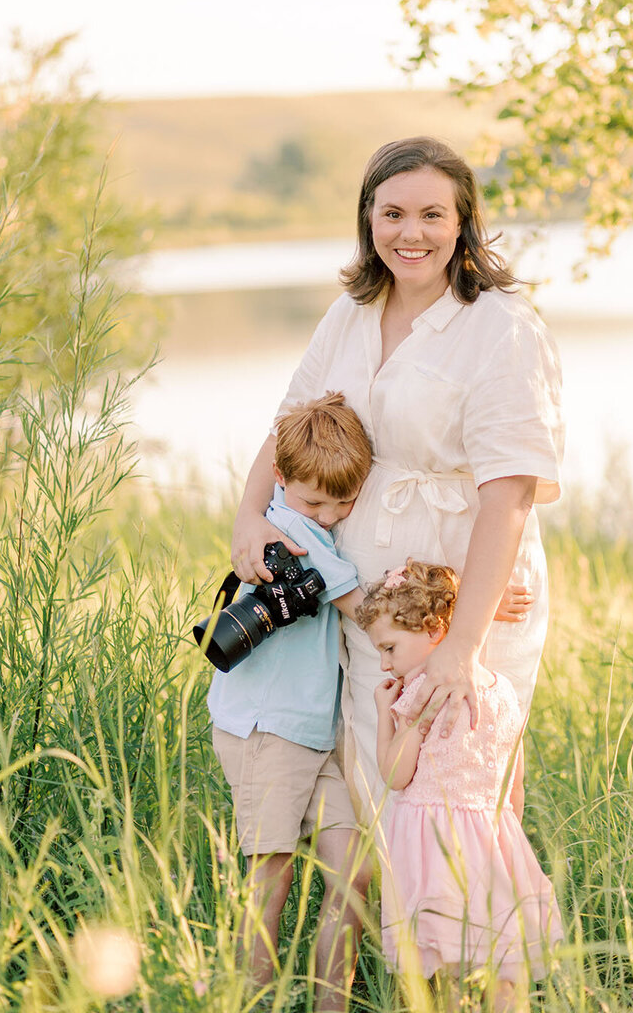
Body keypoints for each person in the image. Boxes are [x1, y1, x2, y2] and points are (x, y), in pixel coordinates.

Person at [230, 136, 563, 815]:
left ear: (464, 223)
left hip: (468, 593)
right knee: (377, 790)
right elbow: (287, 424)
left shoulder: (502, 326)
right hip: (369, 597)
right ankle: (395, 925)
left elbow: (511, 494)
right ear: (368, 219)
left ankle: (476, 925)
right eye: (393, 214)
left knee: (461, 797)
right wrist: (248, 515)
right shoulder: (348, 314)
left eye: (433, 215)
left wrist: (463, 646)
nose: (411, 233)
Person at [207, 392, 374, 1013]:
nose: (327, 516)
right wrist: (474, 610)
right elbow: (371, 615)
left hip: (315, 731)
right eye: (313, 501)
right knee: (269, 880)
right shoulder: (292, 536)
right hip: (266, 731)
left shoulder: (307, 522)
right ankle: (249, 1002)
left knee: (354, 872)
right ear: (279, 479)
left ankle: (330, 1004)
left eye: (342, 502)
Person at [359, 560, 562, 1010]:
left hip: (434, 845)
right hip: (494, 840)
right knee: (501, 955)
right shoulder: (504, 692)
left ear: (434, 629)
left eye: (390, 648)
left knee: (454, 969)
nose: (384, 662)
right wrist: (500, 836)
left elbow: (396, 775)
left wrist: (383, 714)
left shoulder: (418, 693)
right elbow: (515, 785)